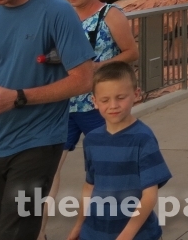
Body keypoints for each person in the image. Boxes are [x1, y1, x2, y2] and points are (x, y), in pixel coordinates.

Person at [0, 0, 95, 240]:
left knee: (15, 234)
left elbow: (83, 79)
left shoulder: (57, 12)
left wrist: (19, 98)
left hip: (37, 142)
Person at [38, 0, 139, 240]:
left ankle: (96, 229)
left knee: (105, 170)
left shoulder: (110, 14)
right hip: (63, 104)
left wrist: (99, 67)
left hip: (99, 105)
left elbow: (131, 52)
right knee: (47, 170)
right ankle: (39, 231)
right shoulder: (61, 15)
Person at [67, 62, 171, 240]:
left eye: (120, 97)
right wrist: (78, 226)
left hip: (138, 235)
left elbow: (149, 195)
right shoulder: (91, 140)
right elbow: (89, 186)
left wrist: (127, 235)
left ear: (136, 94)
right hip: (94, 233)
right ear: (95, 102)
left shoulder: (143, 138)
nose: (113, 105)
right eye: (105, 100)